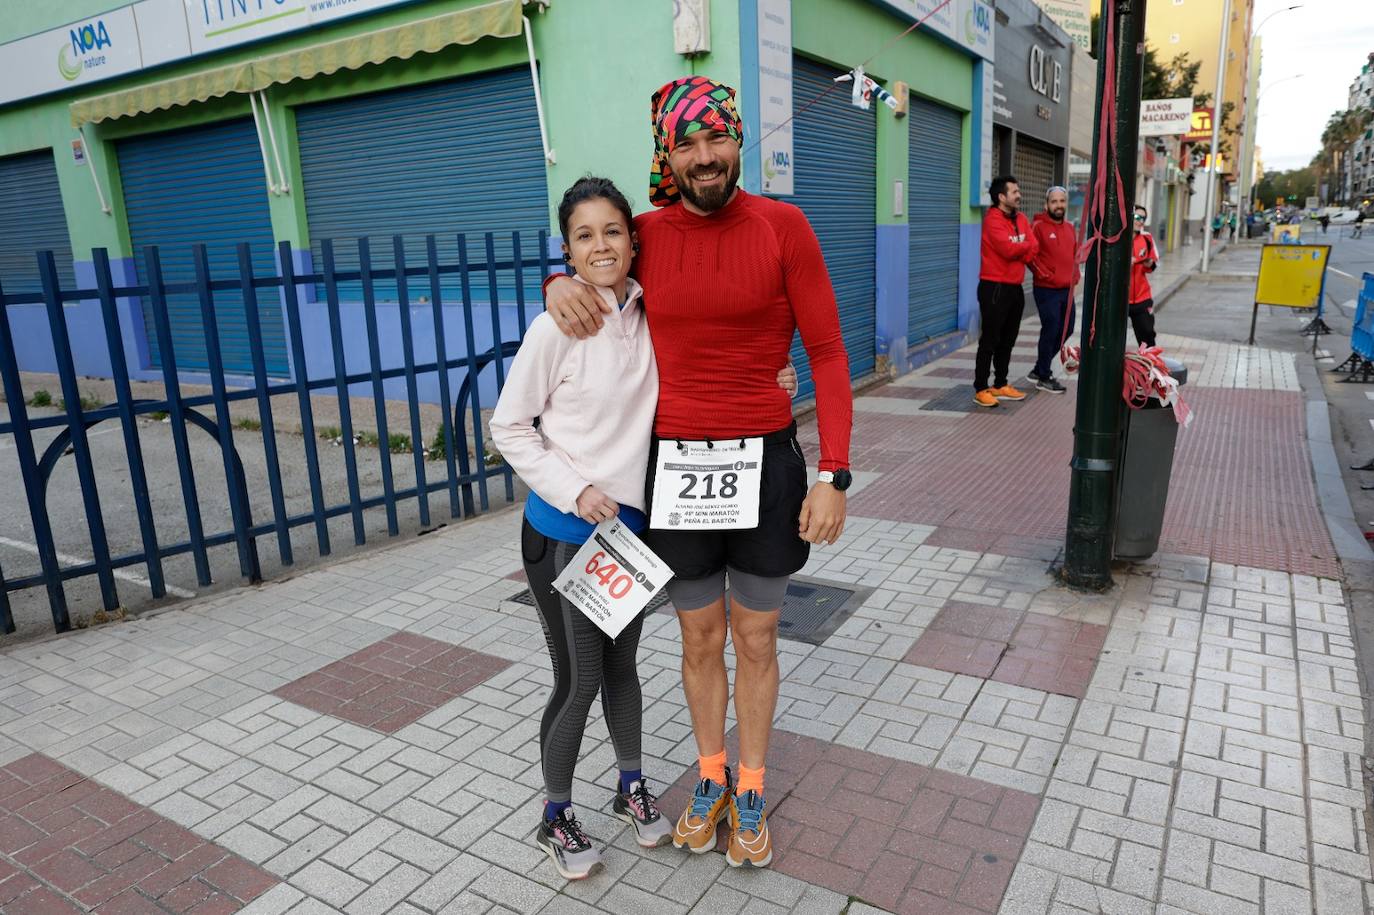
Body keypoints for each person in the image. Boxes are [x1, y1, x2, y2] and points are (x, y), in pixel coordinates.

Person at [542, 76, 853, 869]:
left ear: (739, 140)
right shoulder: (644, 235)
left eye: (717, 139)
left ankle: (751, 784)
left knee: (755, 637)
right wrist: (554, 284)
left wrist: (835, 472)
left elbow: (825, 351)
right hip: (673, 471)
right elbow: (588, 262)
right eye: (687, 143)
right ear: (666, 154)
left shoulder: (784, 226)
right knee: (697, 637)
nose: (705, 156)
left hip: (766, 468)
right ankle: (707, 777)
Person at [493, 176, 800, 879]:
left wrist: (771, 374)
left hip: (632, 534)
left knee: (624, 666)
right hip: (565, 533)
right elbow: (509, 426)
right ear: (566, 249)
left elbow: (711, 351)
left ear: (635, 239)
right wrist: (576, 490)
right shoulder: (557, 325)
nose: (600, 246)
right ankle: (556, 813)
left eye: (612, 231)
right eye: (583, 235)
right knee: (578, 679)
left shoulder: (651, 311)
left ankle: (631, 783)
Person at [974, 175, 1039, 408]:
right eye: (1014, 192)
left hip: (1015, 287)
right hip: (994, 287)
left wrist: (1022, 248)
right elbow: (1007, 249)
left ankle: (1000, 383)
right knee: (990, 339)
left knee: (1008, 340)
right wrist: (1024, 248)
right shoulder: (992, 220)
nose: (1019, 195)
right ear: (1002, 197)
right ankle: (981, 388)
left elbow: (1034, 247)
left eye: (1018, 191)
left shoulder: (1021, 218)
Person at [1027, 186, 1078, 395]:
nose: (1059, 205)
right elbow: (1029, 254)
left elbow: (1074, 255)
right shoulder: (1038, 226)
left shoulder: (1070, 228)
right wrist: (1043, 273)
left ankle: (1039, 368)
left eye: (1062, 201)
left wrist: (1075, 276)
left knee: (1068, 329)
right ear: (1046, 205)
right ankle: (1044, 376)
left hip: (1067, 289)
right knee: (1051, 329)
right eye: (1054, 201)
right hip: (1047, 289)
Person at [1129, 205, 1159, 348]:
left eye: (1143, 218)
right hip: (1121, 300)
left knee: (1147, 335)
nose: (1140, 221)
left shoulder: (1147, 238)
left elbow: (1152, 267)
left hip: (1142, 297)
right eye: (1137, 217)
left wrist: (1148, 263)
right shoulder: (1120, 238)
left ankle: (1150, 368)